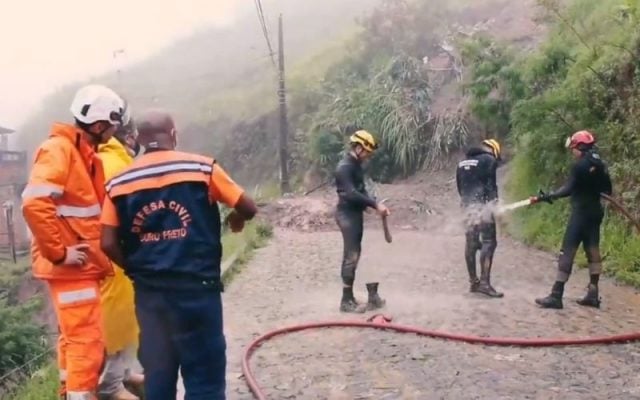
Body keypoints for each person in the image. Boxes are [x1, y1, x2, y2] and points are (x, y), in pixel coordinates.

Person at [99, 109, 257, 400]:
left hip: (150, 298)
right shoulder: (202, 169)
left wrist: (135, 270)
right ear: (173, 135)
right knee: (205, 380)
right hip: (198, 292)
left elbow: (107, 243)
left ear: (141, 140)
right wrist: (235, 219)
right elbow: (248, 207)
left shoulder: (118, 183)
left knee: (158, 378)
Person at [21, 84, 124, 400]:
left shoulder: (80, 153)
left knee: (72, 337)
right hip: (71, 269)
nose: (115, 130)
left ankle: (69, 391)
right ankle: (81, 394)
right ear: (98, 125)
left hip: (76, 266)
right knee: (86, 340)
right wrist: (59, 253)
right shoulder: (61, 150)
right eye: (113, 124)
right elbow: (34, 203)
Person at [97, 102, 144, 400]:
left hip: (108, 259)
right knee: (113, 322)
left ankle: (126, 374)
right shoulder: (114, 164)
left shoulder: (105, 159)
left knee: (123, 322)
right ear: (128, 136)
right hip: (111, 260)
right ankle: (112, 386)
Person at [533, 130, 612, 309]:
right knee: (593, 249)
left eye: (574, 148)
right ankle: (593, 293)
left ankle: (556, 294)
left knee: (567, 250)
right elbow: (608, 189)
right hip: (595, 213)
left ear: (580, 147)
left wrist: (549, 196)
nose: (572, 152)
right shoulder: (600, 164)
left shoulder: (580, 165)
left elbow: (568, 189)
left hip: (581, 213)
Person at [334, 130, 390, 313]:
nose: (368, 156)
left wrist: (372, 205)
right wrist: (374, 204)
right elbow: (350, 193)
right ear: (358, 148)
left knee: (355, 253)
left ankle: (349, 297)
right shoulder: (344, 167)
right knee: (351, 254)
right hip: (346, 215)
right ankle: (345, 301)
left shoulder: (356, 165)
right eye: (366, 152)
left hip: (354, 214)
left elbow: (360, 190)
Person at [456, 139, 504, 298]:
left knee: (471, 242)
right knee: (489, 242)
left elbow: (460, 188)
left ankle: (473, 282)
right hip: (483, 207)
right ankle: (485, 283)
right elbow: (491, 186)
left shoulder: (462, 162)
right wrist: (495, 205)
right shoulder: (489, 160)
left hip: (466, 207)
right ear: (494, 151)